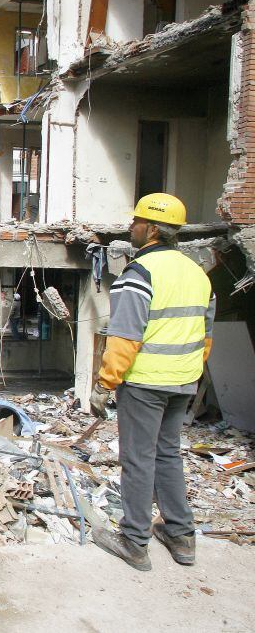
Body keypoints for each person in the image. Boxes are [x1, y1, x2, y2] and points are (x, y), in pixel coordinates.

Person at [91, 193, 215, 571]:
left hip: (145, 383)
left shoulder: (140, 274)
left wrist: (105, 383)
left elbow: (125, 336)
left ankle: (134, 541)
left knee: (138, 459)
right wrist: (187, 372)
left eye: (137, 221)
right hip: (183, 381)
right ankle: (181, 536)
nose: (131, 226)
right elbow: (205, 336)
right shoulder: (196, 273)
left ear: (154, 229)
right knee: (167, 454)